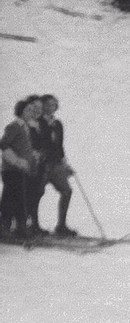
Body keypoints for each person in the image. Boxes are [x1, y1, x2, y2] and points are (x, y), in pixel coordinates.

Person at [31, 95, 75, 238]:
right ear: (43, 106)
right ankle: (34, 225)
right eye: (49, 104)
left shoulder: (58, 124)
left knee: (67, 191)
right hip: (41, 165)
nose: (52, 107)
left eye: (54, 105)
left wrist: (65, 164)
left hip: (56, 164)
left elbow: (59, 146)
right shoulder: (36, 123)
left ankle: (61, 225)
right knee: (37, 193)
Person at [1, 97, 42, 240]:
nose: (31, 113)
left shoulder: (26, 127)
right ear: (20, 111)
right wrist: (17, 161)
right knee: (12, 198)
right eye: (27, 110)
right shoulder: (14, 126)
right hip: (11, 170)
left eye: (32, 110)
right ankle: (7, 227)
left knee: (20, 198)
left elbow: (24, 147)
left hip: (22, 170)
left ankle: (18, 226)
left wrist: (33, 157)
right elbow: (4, 145)